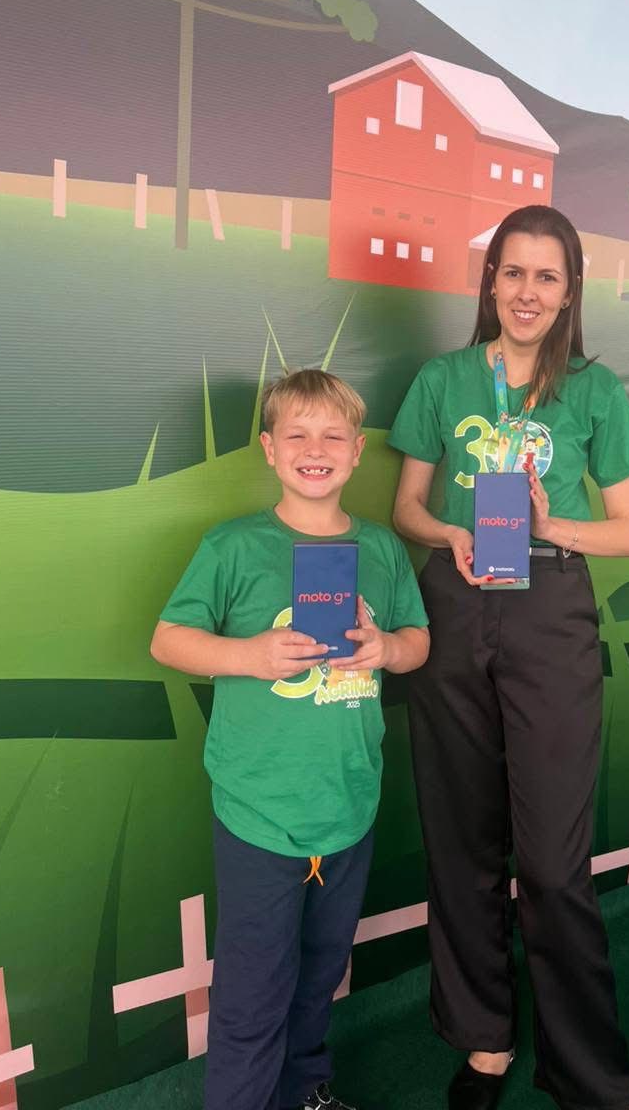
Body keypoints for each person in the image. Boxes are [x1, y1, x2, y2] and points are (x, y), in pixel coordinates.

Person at [388, 205, 629, 1110]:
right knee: (461, 838)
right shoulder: (443, 378)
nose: (527, 292)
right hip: (455, 602)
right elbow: (406, 508)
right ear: (490, 281)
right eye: (512, 272)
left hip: (550, 607)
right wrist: (451, 535)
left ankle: (588, 1077)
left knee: (550, 864)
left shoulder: (594, 390)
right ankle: (484, 1040)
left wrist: (551, 523)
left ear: (570, 290)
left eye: (546, 276)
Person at [150, 369, 430, 1110]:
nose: (316, 449)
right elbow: (168, 639)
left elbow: (418, 641)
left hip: (348, 806)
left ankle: (306, 1091)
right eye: (298, 435)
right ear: (270, 449)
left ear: (357, 452)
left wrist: (386, 649)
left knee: (319, 975)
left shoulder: (381, 549)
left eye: (334, 435)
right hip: (261, 814)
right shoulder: (233, 546)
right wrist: (248, 655)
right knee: (252, 994)